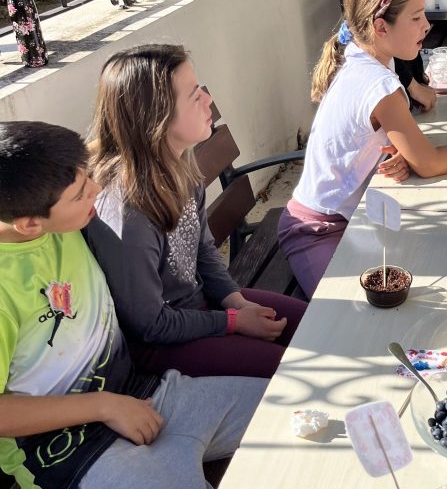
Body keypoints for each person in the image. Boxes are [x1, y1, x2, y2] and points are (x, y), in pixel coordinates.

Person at [0, 121, 266, 489]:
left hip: (152, 396)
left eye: (88, 176)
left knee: (306, 417)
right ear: (28, 223)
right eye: (81, 192)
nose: (96, 190)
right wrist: (105, 406)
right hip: (75, 456)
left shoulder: (67, 217)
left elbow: (121, 138)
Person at [86, 45, 307, 379]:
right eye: (194, 96)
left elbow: (203, 250)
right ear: (155, 117)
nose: (208, 99)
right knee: (292, 373)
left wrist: (236, 301)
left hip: (202, 308)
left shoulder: (179, 167)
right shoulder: (127, 214)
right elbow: (150, 324)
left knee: (317, 325)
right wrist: (232, 322)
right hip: (160, 346)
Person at [278, 0, 447, 297]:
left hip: (344, 219)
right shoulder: (379, 85)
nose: (427, 25)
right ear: (381, 27)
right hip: (314, 231)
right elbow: (429, 164)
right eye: (416, 18)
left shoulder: (362, 58)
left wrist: (397, 152)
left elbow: (371, 138)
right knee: (354, 314)